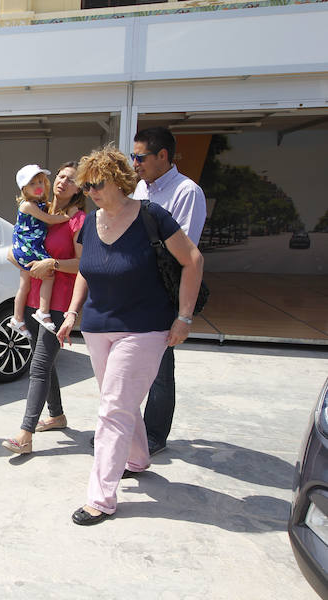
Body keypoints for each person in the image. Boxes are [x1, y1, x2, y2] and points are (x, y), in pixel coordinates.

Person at [56, 146, 203, 525]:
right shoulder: (90, 223)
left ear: (119, 180)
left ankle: (100, 497)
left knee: (112, 410)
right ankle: (136, 458)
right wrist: (73, 312)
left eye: (97, 184)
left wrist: (183, 318)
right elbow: (87, 269)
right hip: (97, 326)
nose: (90, 191)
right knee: (117, 402)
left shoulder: (152, 217)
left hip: (144, 327)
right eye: (85, 186)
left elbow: (193, 260)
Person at [132, 126, 207, 457]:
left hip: (163, 291)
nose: (134, 163)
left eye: (140, 157)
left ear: (162, 155)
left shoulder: (186, 192)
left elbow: (186, 253)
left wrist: (184, 316)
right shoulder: (139, 189)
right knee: (130, 367)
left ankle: (153, 436)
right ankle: (126, 431)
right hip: (134, 291)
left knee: (160, 368)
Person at [2, 162, 86, 454]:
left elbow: (83, 265)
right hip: (33, 300)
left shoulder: (78, 220)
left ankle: (25, 436)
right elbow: (18, 247)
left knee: (38, 366)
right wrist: (20, 260)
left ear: (80, 189)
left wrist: (53, 264)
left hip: (58, 304)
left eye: (71, 180)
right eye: (61, 176)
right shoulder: (40, 210)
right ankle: (57, 415)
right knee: (45, 362)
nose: (63, 181)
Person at [7, 164, 69, 337]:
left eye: (41, 181)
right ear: (24, 188)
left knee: (24, 285)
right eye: (33, 183)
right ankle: (43, 311)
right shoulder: (27, 205)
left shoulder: (39, 204)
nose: (38, 186)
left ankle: (17, 319)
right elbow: (48, 219)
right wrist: (66, 217)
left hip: (27, 247)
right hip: (28, 248)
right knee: (49, 274)